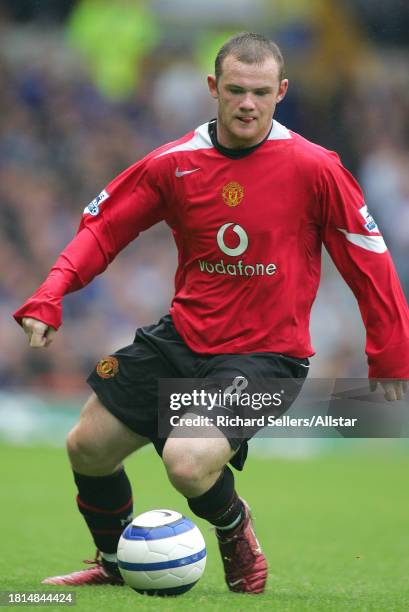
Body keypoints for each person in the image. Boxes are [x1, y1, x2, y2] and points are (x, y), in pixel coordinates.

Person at [14, 32, 409, 595]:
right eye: (235, 90)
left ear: (281, 93)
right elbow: (103, 228)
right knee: (87, 446)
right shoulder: (173, 164)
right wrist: (51, 293)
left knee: (187, 459)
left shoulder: (316, 168)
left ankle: (234, 528)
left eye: (261, 92)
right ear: (213, 89)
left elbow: (366, 256)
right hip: (181, 338)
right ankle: (113, 558)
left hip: (268, 357)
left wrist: (389, 349)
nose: (248, 103)